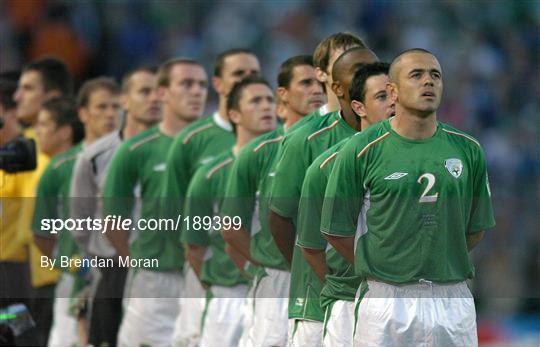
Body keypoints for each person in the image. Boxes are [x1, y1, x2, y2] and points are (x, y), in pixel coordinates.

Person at [321, 49, 495, 346]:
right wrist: (380, 267)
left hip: (451, 297)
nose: (428, 81)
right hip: (385, 298)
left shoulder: (468, 149)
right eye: (417, 75)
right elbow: (336, 231)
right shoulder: (360, 149)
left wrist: (437, 261)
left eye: (435, 76)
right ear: (393, 91)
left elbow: (474, 229)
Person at [268, 46, 377, 346]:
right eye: (359, 70)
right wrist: (313, 272)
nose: (369, 76)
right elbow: (279, 219)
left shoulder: (393, 142)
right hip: (320, 300)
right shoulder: (307, 139)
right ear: (334, 83)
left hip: (380, 301)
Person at [220, 55, 324, 347]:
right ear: (283, 94)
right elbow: (230, 225)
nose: (317, 90)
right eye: (306, 83)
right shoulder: (259, 152)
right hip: (279, 277)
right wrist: (262, 264)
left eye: (320, 83)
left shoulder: (340, 145)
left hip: (328, 277)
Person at [103, 58, 208, 347]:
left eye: (202, 85)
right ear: (163, 93)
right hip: (155, 281)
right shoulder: (135, 150)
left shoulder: (221, 145)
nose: (197, 92)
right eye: (186, 84)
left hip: (209, 279)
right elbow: (112, 221)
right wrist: (139, 262)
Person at [161, 48, 260, 347]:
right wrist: (201, 269)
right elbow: (174, 211)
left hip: (262, 275)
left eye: (253, 74)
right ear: (218, 84)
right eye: (239, 74)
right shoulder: (192, 139)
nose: (247, 80)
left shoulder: (276, 136)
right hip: (208, 271)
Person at [296, 62, 394, 346]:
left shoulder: (422, 161)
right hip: (349, 301)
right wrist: (347, 283)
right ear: (359, 107)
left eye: (394, 95)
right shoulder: (326, 166)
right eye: (381, 97)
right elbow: (311, 247)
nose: (392, 104)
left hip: (410, 300)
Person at [69, 67, 161, 347]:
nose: (153, 99)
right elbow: (80, 222)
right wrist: (108, 257)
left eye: (159, 92)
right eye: (144, 92)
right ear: (125, 100)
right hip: (112, 270)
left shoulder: (176, 150)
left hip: (162, 269)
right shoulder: (95, 156)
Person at [183, 75, 277, 347]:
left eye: (270, 100)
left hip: (275, 294)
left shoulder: (288, 164)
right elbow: (194, 246)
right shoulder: (209, 175)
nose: (266, 107)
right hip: (228, 298)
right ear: (234, 114)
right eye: (256, 101)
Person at [13, 57, 74, 345]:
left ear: (52, 97)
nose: (18, 97)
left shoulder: (59, 156)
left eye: (27, 89)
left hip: (56, 280)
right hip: (22, 280)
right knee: (18, 334)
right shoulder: (24, 149)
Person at [31, 96, 85, 347]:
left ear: (64, 132)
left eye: (43, 124)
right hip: (54, 276)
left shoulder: (67, 167)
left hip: (70, 278)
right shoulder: (47, 168)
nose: (36, 132)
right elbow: (40, 233)